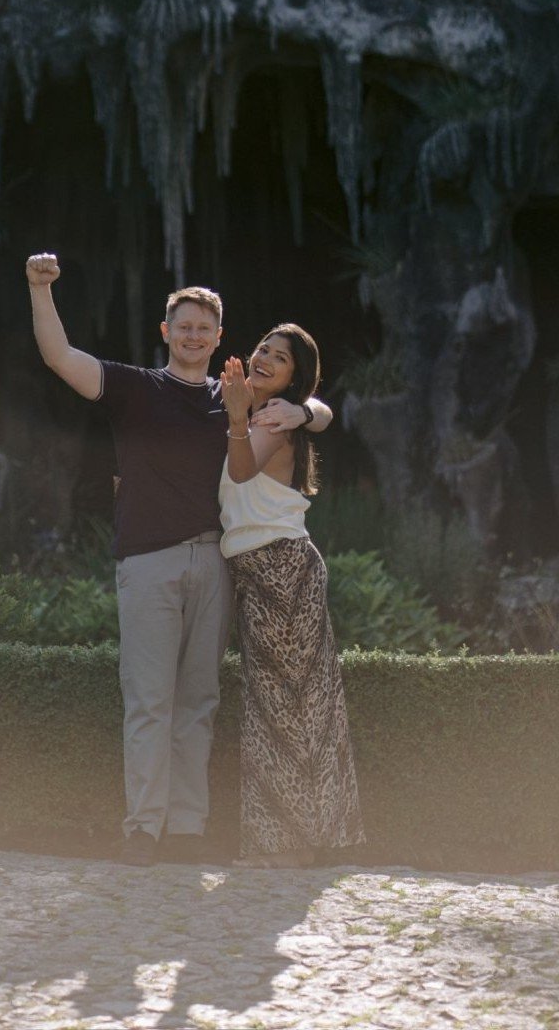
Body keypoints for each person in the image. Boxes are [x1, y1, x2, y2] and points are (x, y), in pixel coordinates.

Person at [26, 254, 333, 867]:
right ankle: (144, 827)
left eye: (205, 328)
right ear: (166, 331)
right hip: (148, 560)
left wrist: (305, 411)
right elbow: (61, 357)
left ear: (219, 338)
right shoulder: (135, 387)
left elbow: (316, 408)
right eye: (184, 326)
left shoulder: (236, 398)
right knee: (149, 700)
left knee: (199, 701)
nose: (194, 336)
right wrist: (39, 289)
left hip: (216, 562)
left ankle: (188, 829)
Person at [219, 325, 365, 867]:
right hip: (263, 569)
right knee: (281, 706)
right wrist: (304, 411)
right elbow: (321, 411)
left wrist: (264, 415)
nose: (264, 359)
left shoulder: (271, 420)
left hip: (282, 568)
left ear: (291, 378)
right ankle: (299, 841)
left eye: (279, 358)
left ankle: (286, 846)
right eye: (263, 348)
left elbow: (241, 471)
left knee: (285, 708)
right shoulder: (263, 409)